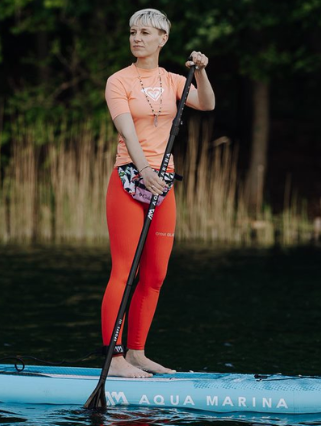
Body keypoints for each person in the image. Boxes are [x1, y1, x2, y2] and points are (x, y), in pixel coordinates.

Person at [101, 8, 215, 378]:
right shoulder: (118, 81)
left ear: (162, 39)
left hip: (164, 182)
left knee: (155, 274)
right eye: (133, 31)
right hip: (130, 178)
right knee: (124, 270)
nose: (137, 38)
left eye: (146, 32)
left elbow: (207, 104)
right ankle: (114, 357)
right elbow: (128, 133)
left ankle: (137, 353)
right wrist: (145, 169)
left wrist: (199, 71)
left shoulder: (173, 80)